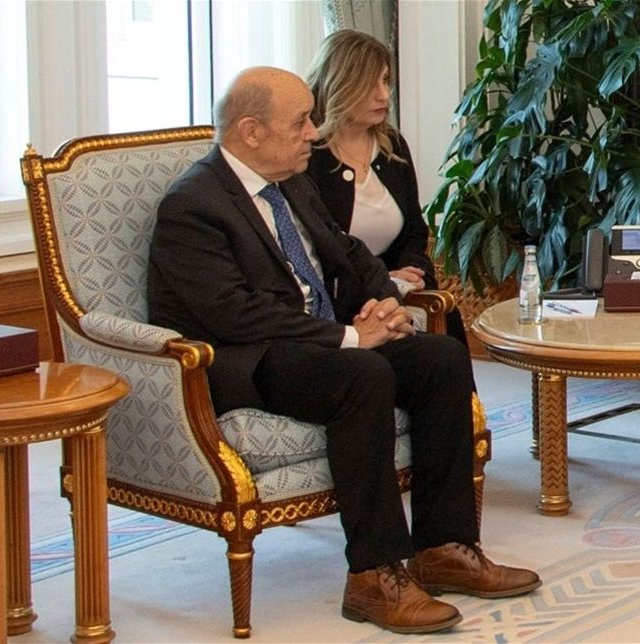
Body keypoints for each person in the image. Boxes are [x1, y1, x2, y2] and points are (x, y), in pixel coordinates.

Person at [148, 66, 539, 634]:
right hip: (248, 359)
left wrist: (386, 304)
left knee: (440, 358)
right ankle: (374, 575)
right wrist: (351, 337)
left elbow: (349, 251)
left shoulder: (290, 181)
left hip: (314, 342)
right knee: (363, 373)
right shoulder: (193, 205)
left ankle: (443, 547)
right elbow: (232, 314)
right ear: (251, 131)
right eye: (300, 122)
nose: (314, 132)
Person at [303, 30, 469, 345]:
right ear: (341, 85)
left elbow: (414, 230)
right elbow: (316, 247)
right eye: (371, 85)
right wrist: (382, 278)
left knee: (448, 322)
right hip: (341, 300)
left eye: (385, 81)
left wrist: (412, 272)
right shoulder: (307, 156)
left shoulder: (392, 146)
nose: (383, 95)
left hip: (395, 287)